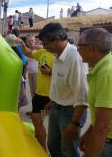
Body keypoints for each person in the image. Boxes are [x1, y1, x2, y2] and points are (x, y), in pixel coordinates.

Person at [39, 22, 89, 157]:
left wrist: (75, 123)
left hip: (70, 112)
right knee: (53, 145)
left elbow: (83, 95)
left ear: (57, 40)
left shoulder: (74, 58)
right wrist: (53, 100)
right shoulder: (57, 54)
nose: (44, 47)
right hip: (57, 107)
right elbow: (58, 81)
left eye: (45, 44)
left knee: (69, 150)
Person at [77, 28, 112, 157]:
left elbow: (103, 127)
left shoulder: (106, 73)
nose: (77, 49)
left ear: (90, 48)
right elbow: (101, 115)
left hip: (108, 143)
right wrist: (89, 133)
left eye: (79, 46)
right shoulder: (102, 67)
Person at [17, 35, 54, 151]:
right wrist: (22, 44)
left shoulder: (58, 55)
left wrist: (51, 72)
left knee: (54, 125)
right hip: (40, 94)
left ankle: (52, 148)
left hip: (52, 95)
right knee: (36, 120)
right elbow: (28, 53)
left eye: (45, 42)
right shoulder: (42, 52)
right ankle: (43, 149)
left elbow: (66, 76)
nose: (42, 44)